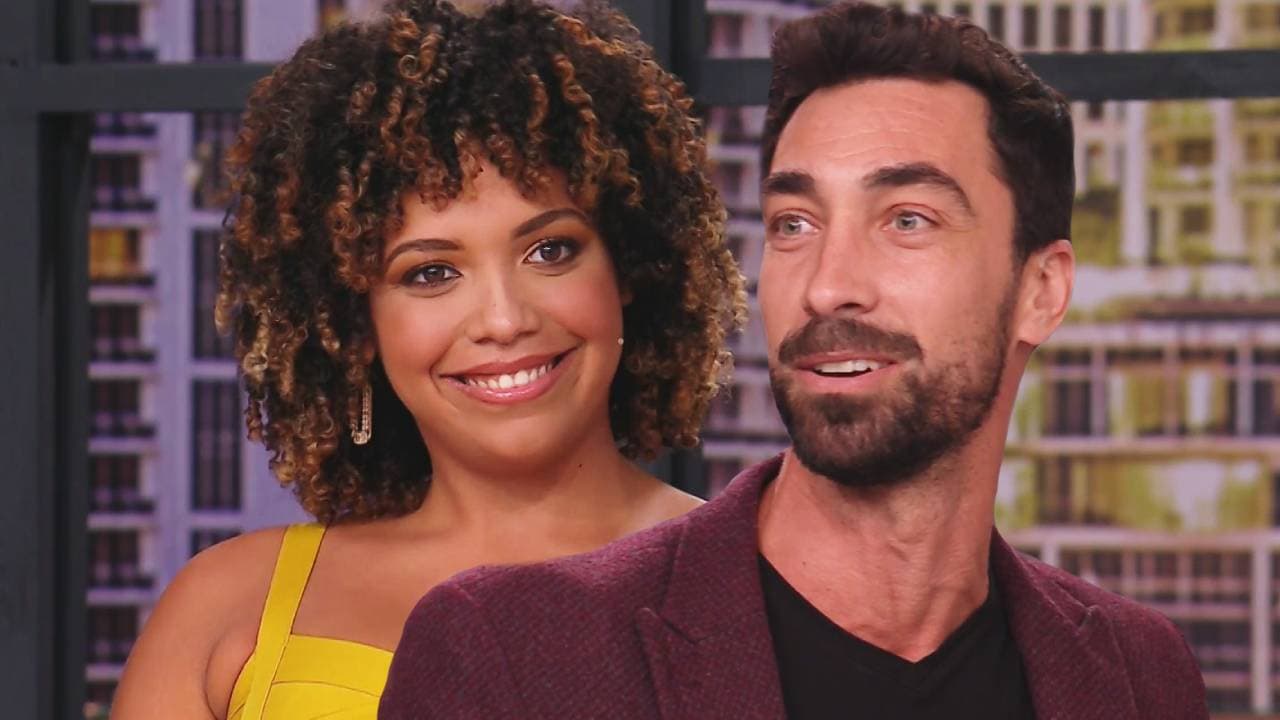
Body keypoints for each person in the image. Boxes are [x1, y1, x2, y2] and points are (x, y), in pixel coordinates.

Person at [379, 3, 1209, 719]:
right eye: (795, 225)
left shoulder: (1140, 674)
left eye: (907, 220)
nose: (827, 287)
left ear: (1041, 290)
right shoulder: (515, 656)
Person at [109, 0, 745, 717]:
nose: (504, 320)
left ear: (626, 267)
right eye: (431, 273)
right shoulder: (224, 611)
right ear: (355, 323)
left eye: (550, 250)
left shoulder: (752, 592)